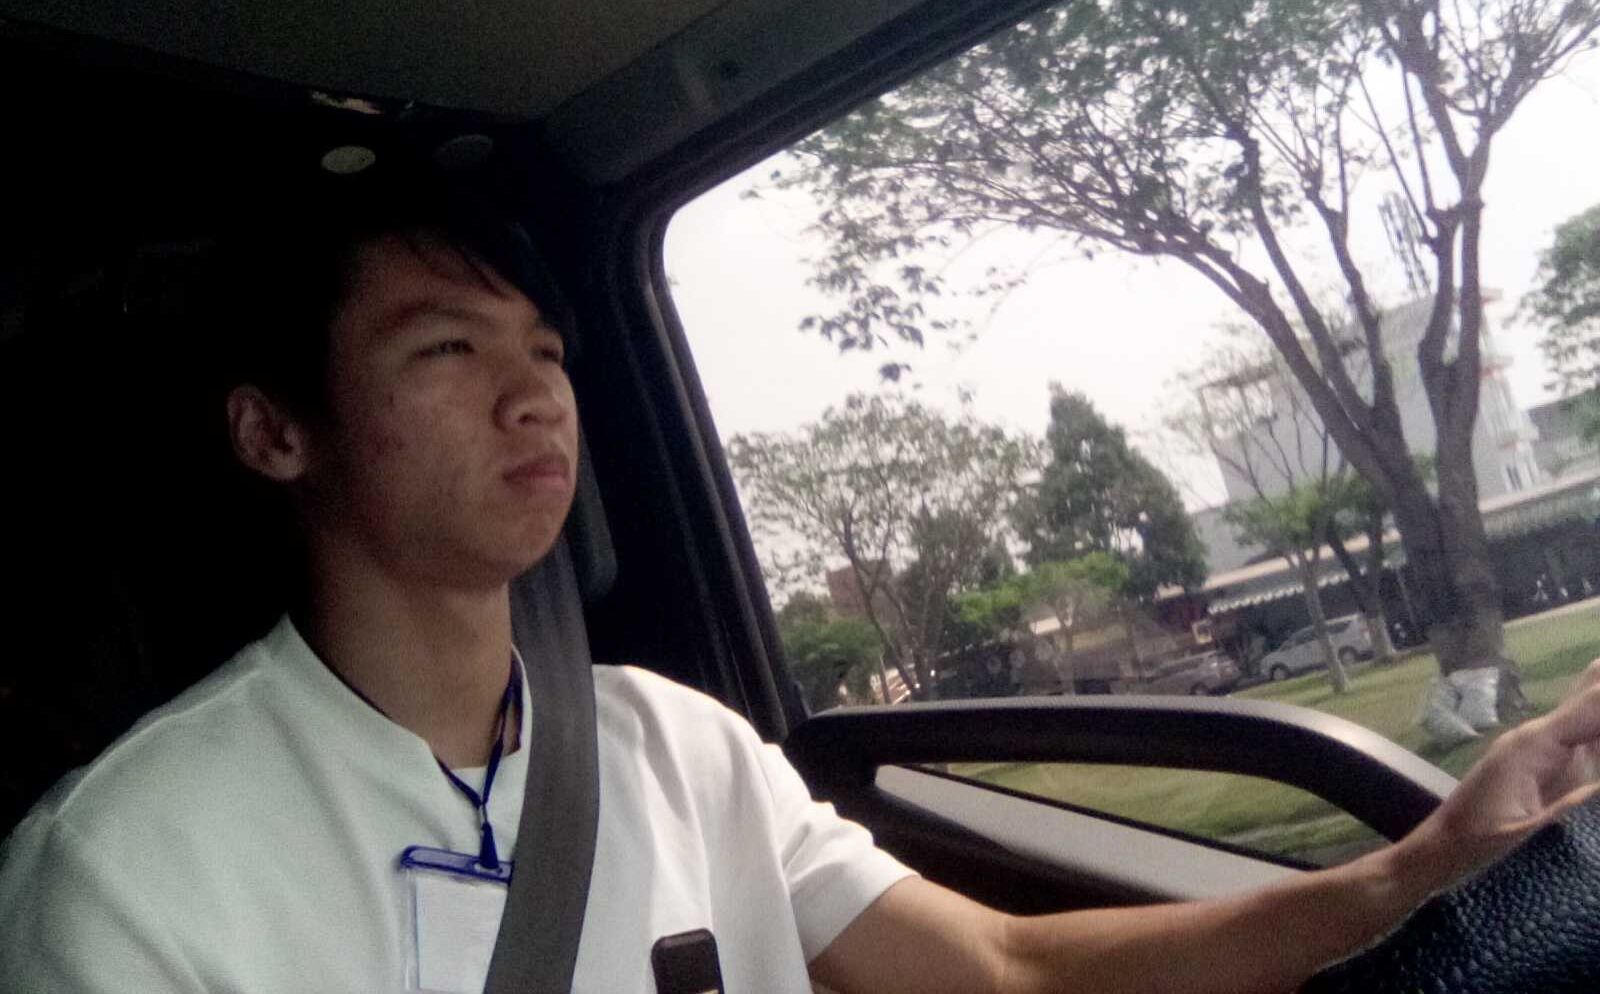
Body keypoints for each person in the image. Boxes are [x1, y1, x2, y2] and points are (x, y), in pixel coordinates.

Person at [2, 169, 1598, 994]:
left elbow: (1001, 967)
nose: (536, 394)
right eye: (446, 351)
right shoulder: (130, 868)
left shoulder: (674, 744)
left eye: (545, 350)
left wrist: (1417, 869)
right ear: (276, 432)